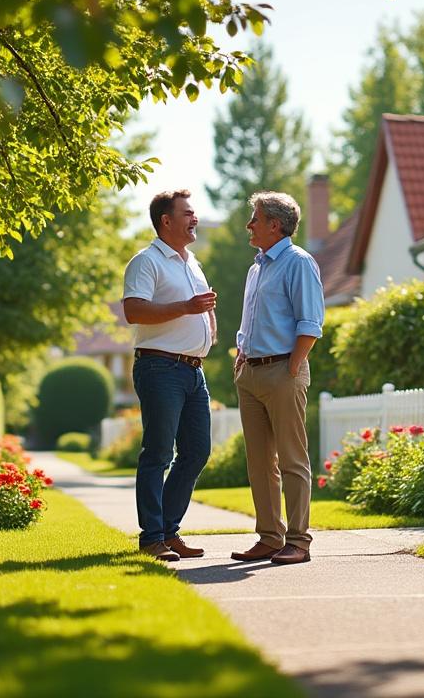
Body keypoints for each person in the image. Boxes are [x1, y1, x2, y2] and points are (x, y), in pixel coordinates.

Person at [229, 191, 324, 566]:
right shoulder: (257, 267)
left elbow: (310, 322)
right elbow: (250, 321)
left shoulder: (298, 262)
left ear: (275, 224)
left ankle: (298, 541)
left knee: (291, 460)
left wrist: (293, 366)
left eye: (255, 218)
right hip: (250, 372)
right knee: (258, 463)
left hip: (284, 370)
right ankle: (270, 537)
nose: (249, 225)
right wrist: (240, 358)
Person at [121, 190, 217, 562]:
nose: (195, 219)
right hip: (160, 367)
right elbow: (134, 311)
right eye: (188, 214)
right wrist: (187, 308)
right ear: (166, 220)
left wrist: (208, 327)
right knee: (158, 453)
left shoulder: (192, 262)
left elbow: (198, 306)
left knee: (196, 451)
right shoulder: (145, 262)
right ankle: (152, 538)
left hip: (194, 371)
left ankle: (169, 531)